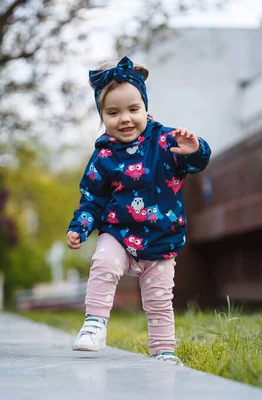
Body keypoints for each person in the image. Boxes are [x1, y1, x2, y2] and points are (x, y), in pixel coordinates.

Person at [66, 56, 211, 365]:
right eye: (113, 112)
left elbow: (195, 163)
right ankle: (94, 325)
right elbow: (91, 197)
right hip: (118, 233)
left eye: (133, 109)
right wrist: (80, 226)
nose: (125, 119)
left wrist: (195, 150)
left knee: (159, 300)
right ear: (102, 116)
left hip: (160, 237)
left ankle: (164, 352)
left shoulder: (165, 140)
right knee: (103, 263)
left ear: (145, 107)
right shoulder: (103, 156)